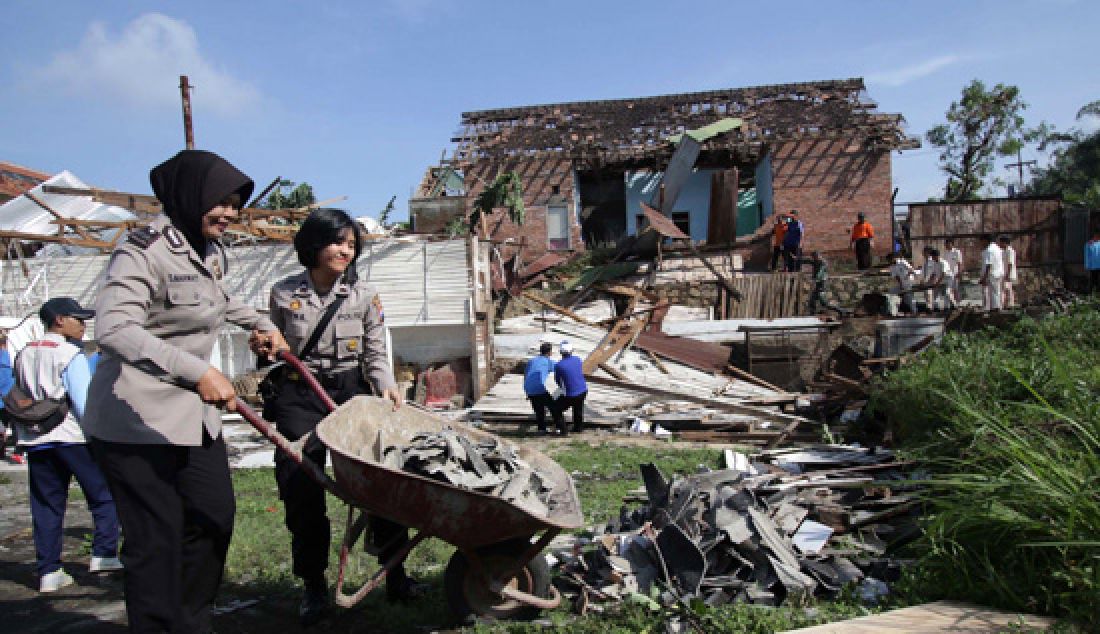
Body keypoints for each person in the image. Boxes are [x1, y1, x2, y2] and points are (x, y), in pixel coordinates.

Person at [85, 150, 288, 633]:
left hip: (193, 420)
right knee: (155, 541)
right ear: (189, 196)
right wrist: (196, 371)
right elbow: (112, 328)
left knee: (214, 517)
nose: (231, 213)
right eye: (221, 202)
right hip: (135, 419)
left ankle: (192, 623)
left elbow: (218, 300)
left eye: (236, 204)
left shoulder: (209, 250)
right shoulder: (141, 250)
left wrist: (261, 324)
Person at [254, 207, 415, 625]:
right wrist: (262, 348)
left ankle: (395, 573)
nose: (345, 250)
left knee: (381, 478)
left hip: (349, 391)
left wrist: (385, 384)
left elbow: (375, 348)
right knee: (301, 486)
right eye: (337, 242)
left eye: (351, 244)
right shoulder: (282, 292)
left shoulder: (364, 295)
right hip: (298, 392)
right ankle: (313, 585)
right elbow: (265, 343)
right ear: (313, 244)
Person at [13, 298, 121, 593]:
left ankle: (49, 570)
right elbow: (84, 403)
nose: (83, 326)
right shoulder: (69, 354)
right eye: (78, 319)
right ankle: (104, 555)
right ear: (59, 320)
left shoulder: (24, 352)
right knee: (103, 496)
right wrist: (100, 435)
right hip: (71, 436)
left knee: (47, 505)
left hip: (36, 439)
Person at [523, 341, 563, 435]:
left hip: (529, 388)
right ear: (549, 353)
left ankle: (541, 429)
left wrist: (527, 391)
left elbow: (525, 374)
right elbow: (560, 368)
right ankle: (558, 427)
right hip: (540, 388)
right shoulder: (548, 362)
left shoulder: (532, 361)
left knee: (539, 410)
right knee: (553, 406)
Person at [552, 340, 588, 434]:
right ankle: (578, 428)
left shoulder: (559, 365)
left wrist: (562, 388)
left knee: (556, 409)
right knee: (578, 409)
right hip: (583, 390)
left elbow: (558, 380)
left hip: (571, 394)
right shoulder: (578, 359)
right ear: (572, 350)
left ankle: (563, 431)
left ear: (561, 352)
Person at [805, 251, 845, 316]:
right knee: (812, 301)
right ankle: (812, 314)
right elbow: (806, 260)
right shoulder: (815, 261)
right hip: (818, 284)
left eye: (816, 256)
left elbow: (821, 271)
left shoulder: (823, 263)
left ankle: (840, 310)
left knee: (824, 303)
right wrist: (797, 258)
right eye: (814, 257)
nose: (815, 258)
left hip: (821, 285)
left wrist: (817, 278)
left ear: (818, 256)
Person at [0, 329, 18, 464]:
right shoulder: (9, 360)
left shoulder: (6, 360)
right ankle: (18, 452)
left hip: (4, 402)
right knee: (15, 426)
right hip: (11, 402)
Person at [979, 234, 1005, 312]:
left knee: (993, 292)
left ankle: (995, 308)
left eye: (982, 241)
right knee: (997, 291)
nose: (981, 243)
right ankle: (997, 307)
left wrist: (984, 277)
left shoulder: (989, 250)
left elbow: (988, 265)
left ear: (986, 240)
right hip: (999, 272)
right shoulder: (997, 248)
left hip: (992, 273)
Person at [999, 235, 1018, 308]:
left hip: (1009, 274)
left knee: (1008, 289)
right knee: (1005, 289)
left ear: (1005, 243)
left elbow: (1010, 263)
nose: (1000, 244)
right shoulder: (1003, 251)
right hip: (1005, 273)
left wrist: (1007, 274)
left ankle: (1010, 305)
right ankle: (1006, 304)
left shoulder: (1010, 251)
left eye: (1001, 242)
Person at [944, 238, 964, 306]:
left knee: (956, 290)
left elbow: (959, 263)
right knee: (949, 291)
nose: (947, 245)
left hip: (955, 274)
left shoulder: (957, 252)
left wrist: (959, 272)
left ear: (952, 244)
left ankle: (958, 304)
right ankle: (952, 305)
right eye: (946, 244)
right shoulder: (946, 253)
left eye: (948, 244)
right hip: (948, 275)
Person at [1087, 229, 1100, 293]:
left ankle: (1097, 291)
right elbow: (1087, 254)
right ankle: (1092, 291)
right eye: (1095, 236)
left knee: (1097, 279)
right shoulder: (1090, 243)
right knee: (1093, 279)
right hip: (1093, 265)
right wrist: (1087, 265)